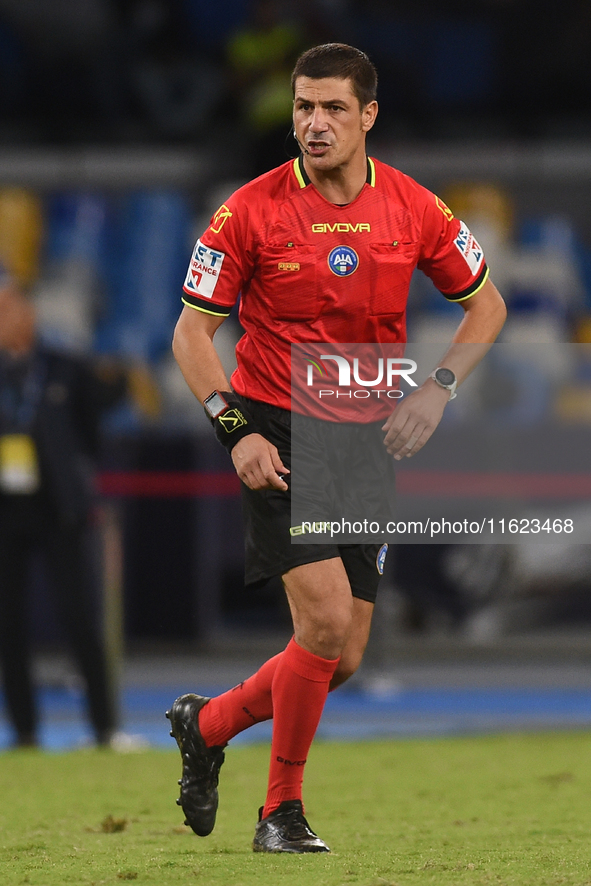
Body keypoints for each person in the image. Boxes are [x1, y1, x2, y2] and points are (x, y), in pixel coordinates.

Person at [168, 42, 507, 853]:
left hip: (362, 440)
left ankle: (207, 724)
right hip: (276, 431)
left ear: (367, 117)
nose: (313, 124)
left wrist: (437, 388)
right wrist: (233, 429)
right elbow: (191, 333)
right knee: (320, 623)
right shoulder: (246, 210)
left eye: (330, 109)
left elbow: (485, 307)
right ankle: (278, 813)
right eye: (301, 107)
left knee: (342, 655)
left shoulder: (415, 208)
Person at [0, 267, 126, 748]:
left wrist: (79, 481)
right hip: (7, 511)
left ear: (29, 315)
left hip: (61, 510)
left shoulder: (64, 367)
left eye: (10, 308)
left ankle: (105, 726)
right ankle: (25, 731)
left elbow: (93, 425)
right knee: (9, 626)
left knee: (82, 619)